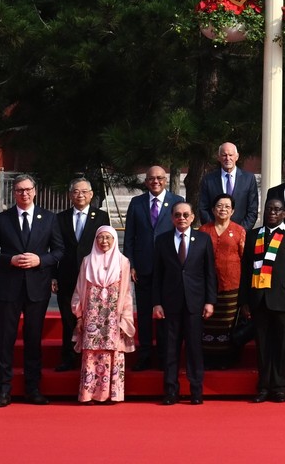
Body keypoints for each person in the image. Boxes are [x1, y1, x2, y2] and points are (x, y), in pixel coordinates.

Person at [0, 174, 64, 406]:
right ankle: (3, 390)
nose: (24, 194)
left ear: (35, 191)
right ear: (13, 193)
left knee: (33, 339)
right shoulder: (2, 219)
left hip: (37, 287)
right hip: (8, 288)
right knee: (5, 340)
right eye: (19, 190)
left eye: (27, 189)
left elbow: (59, 251)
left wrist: (41, 260)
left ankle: (33, 388)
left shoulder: (48, 218)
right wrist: (10, 259)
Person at [240, 195, 285, 403]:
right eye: (269, 209)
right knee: (262, 346)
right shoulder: (253, 236)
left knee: (281, 347)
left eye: (277, 210)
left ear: (284, 214)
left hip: (284, 301)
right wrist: (244, 301)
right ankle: (263, 386)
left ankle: (279, 387)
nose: (272, 212)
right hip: (258, 300)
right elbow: (245, 271)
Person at [149, 202, 216, 405]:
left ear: (193, 217)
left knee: (194, 349)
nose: (182, 218)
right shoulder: (162, 241)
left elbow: (209, 274)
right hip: (170, 304)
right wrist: (157, 303)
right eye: (177, 215)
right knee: (170, 349)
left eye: (186, 214)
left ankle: (196, 390)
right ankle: (170, 391)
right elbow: (157, 276)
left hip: (195, 303)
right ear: (172, 218)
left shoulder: (203, 239)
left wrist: (210, 302)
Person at [70, 226, 137, 403]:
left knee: (112, 352)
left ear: (115, 240)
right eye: (100, 238)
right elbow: (79, 289)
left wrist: (125, 317)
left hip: (114, 316)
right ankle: (89, 394)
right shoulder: (87, 261)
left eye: (108, 238)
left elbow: (127, 292)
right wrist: (79, 315)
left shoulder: (123, 262)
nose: (104, 241)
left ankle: (111, 394)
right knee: (92, 353)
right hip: (92, 315)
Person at [125, 165, 183, 369]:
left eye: (159, 178)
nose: (155, 181)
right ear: (146, 181)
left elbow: (181, 234)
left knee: (166, 313)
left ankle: (164, 355)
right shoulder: (136, 203)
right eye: (151, 178)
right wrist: (130, 264)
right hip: (143, 268)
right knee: (143, 313)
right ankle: (145, 353)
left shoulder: (177, 202)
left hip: (169, 269)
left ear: (165, 180)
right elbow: (129, 237)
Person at [53, 177, 111, 371]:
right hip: (67, 275)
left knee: (93, 317)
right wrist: (53, 275)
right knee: (68, 318)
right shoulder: (60, 218)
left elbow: (106, 245)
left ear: (91, 195)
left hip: (93, 276)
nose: (80, 195)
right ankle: (69, 358)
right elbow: (53, 247)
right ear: (70, 195)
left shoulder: (101, 216)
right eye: (76, 191)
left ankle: (90, 358)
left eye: (84, 191)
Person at [200, 193, 246, 360]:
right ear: (213, 209)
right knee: (209, 322)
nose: (223, 209)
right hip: (208, 284)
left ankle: (228, 358)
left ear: (233, 211)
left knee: (228, 323)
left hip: (232, 284)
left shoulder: (239, 231)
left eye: (227, 206)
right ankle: (209, 358)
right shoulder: (204, 230)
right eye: (219, 206)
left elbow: (244, 257)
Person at [200, 141, 261, 230]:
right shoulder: (208, 180)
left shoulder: (248, 179)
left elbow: (252, 210)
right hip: (215, 234)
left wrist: (240, 231)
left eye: (231, 155)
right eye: (224, 155)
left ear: (237, 157)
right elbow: (203, 208)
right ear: (219, 157)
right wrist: (215, 229)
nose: (227, 158)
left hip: (240, 234)